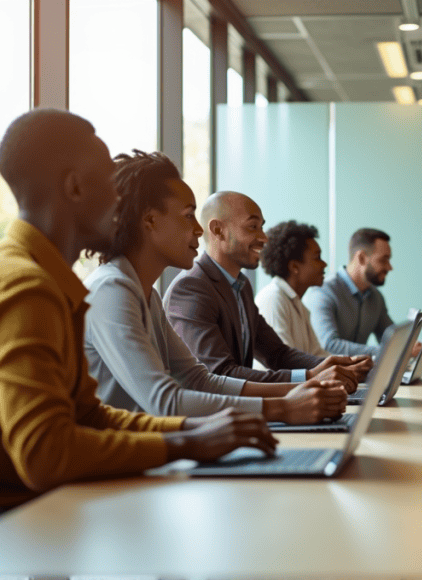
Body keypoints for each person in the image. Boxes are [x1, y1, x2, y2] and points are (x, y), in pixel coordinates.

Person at [0, 110, 275, 509]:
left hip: (20, 506)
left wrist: (191, 432)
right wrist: (186, 441)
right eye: (111, 184)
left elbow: (90, 416)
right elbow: (45, 454)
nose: (120, 198)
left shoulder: (51, 280)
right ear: (75, 187)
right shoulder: (22, 285)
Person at [85, 152, 347, 425]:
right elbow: (165, 402)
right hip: (125, 461)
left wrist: (305, 388)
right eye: (188, 216)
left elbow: (198, 379)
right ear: (149, 221)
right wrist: (283, 408)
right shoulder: (112, 290)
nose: (199, 230)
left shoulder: (145, 294)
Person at [164, 191, 371, 389]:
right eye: (253, 227)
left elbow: (277, 354)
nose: (263, 238)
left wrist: (338, 365)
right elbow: (220, 373)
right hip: (209, 420)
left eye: (261, 227)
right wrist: (309, 376)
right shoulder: (191, 289)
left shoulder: (241, 286)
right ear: (218, 230)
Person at [306, 228, 422, 358]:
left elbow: (391, 339)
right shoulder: (324, 292)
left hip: (358, 374)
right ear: (361, 258)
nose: (389, 267)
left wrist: (413, 346)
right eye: (383, 260)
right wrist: (390, 351)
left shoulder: (376, 297)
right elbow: (329, 345)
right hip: (328, 376)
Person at [254, 220, 331, 357]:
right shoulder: (273, 299)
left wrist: (354, 364)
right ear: (294, 266)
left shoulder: (297, 303)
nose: (324, 264)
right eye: (317, 258)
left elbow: (317, 355)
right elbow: (284, 362)